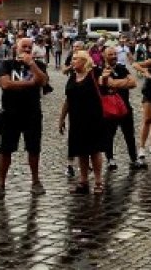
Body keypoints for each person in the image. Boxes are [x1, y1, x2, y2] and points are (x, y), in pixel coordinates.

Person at [0, 37, 48, 199]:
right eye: (24, 46)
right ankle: (1, 183)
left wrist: (31, 64)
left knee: (34, 149)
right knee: (5, 149)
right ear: (16, 48)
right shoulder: (7, 64)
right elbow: (6, 84)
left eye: (30, 47)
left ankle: (36, 181)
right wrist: (31, 83)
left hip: (32, 113)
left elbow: (43, 81)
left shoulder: (38, 65)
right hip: (10, 113)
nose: (27, 50)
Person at [58, 50, 105, 195]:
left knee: (94, 151)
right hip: (76, 119)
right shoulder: (72, 77)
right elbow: (68, 99)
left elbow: (105, 84)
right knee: (81, 151)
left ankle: (98, 181)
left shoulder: (94, 74)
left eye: (75, 59)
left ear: (84, 61)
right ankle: (83, 182)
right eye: (72, 59)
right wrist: (62, 117)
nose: (72, 61)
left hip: (93, 118)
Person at [101, 46, 146, 171]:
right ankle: (110, 159)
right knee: (109, 135)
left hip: (125, 107)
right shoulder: (101, 69)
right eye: (111, 54)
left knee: (129, 135)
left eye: (115, 54)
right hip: (109, 108)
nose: (114, 56)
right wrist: (123, 82)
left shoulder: (121, 68)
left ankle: (133, 158)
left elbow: (133, 83)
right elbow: (109, 83)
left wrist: (117, 84)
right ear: (104, 56)